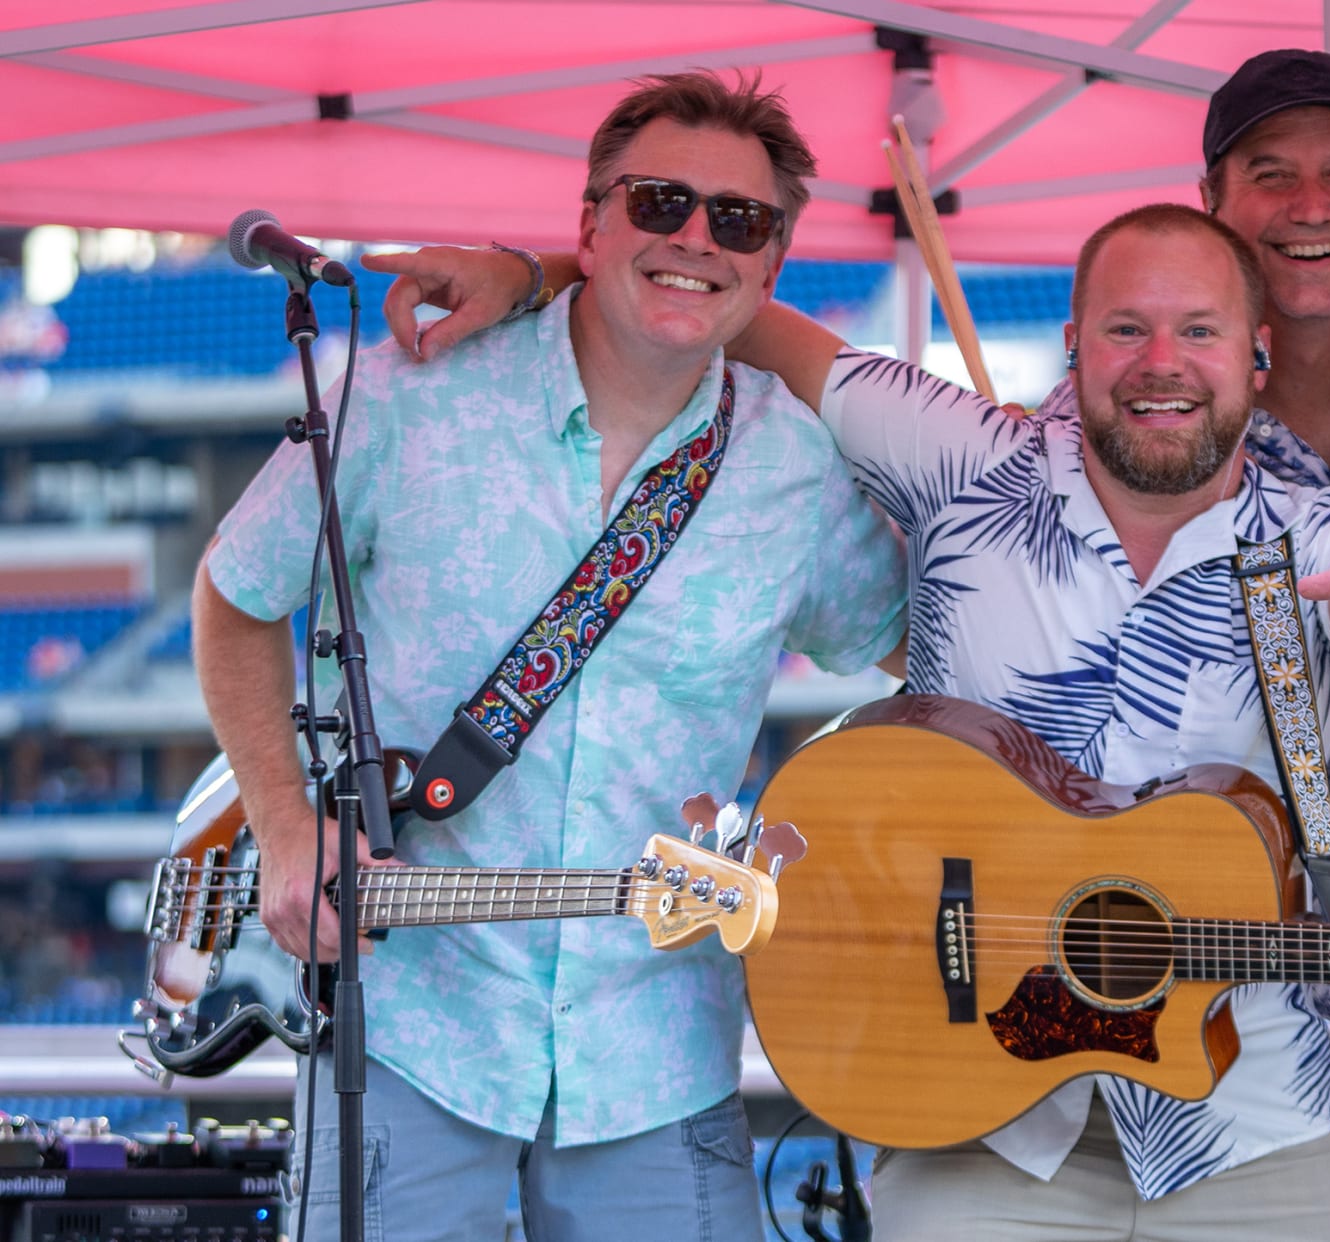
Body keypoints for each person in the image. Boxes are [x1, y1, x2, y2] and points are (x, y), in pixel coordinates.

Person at [367, 47, 1330, 1042]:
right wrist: (545, 264)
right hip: (1167, 1006)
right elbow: (734, 297)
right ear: (1209, 214)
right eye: (1269, 175)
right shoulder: (1008, 451)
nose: (1309, 207)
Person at [191, 72, 906, 1242]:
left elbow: (926, 655)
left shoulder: (803, 473)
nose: (695, 240)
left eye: (739, 220)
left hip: (661, 1055)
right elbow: (235, 597)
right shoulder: (406, 400)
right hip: (412, 1029)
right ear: (588, 225)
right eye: (660, 202)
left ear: (773, 265)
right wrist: (281, 821)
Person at [737, 202, 1330, 1237]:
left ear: (1256, 357)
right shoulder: (961, 458)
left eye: (1198, 331)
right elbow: (733, 310)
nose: (1163, 363)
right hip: (978, 1112)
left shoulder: (1318, 541)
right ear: (1074, 346)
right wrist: (529, 277)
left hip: (1250, 1113)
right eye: (1126, 330)